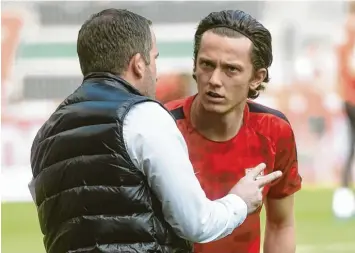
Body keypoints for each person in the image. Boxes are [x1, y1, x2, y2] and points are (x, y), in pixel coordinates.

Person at [28, 8, 282, 253]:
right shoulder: (143, 116)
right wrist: (240, 200)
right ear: (139, 64)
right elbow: (197, 223)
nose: (156, 74)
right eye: (155, 58)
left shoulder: (45, 134)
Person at [165, 10, 302, 253]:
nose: (215, 79)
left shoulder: (275, 131)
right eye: (207, 64)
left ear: (256, 78)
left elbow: (281, 224)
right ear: (195, 66)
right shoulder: (161, 126)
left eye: (231, 69)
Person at [333, 4, 355, 218]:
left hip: (347, 96)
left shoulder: (344, 31)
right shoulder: (352, 30)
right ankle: (344, 197)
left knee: (351, 146)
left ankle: (343, 194)